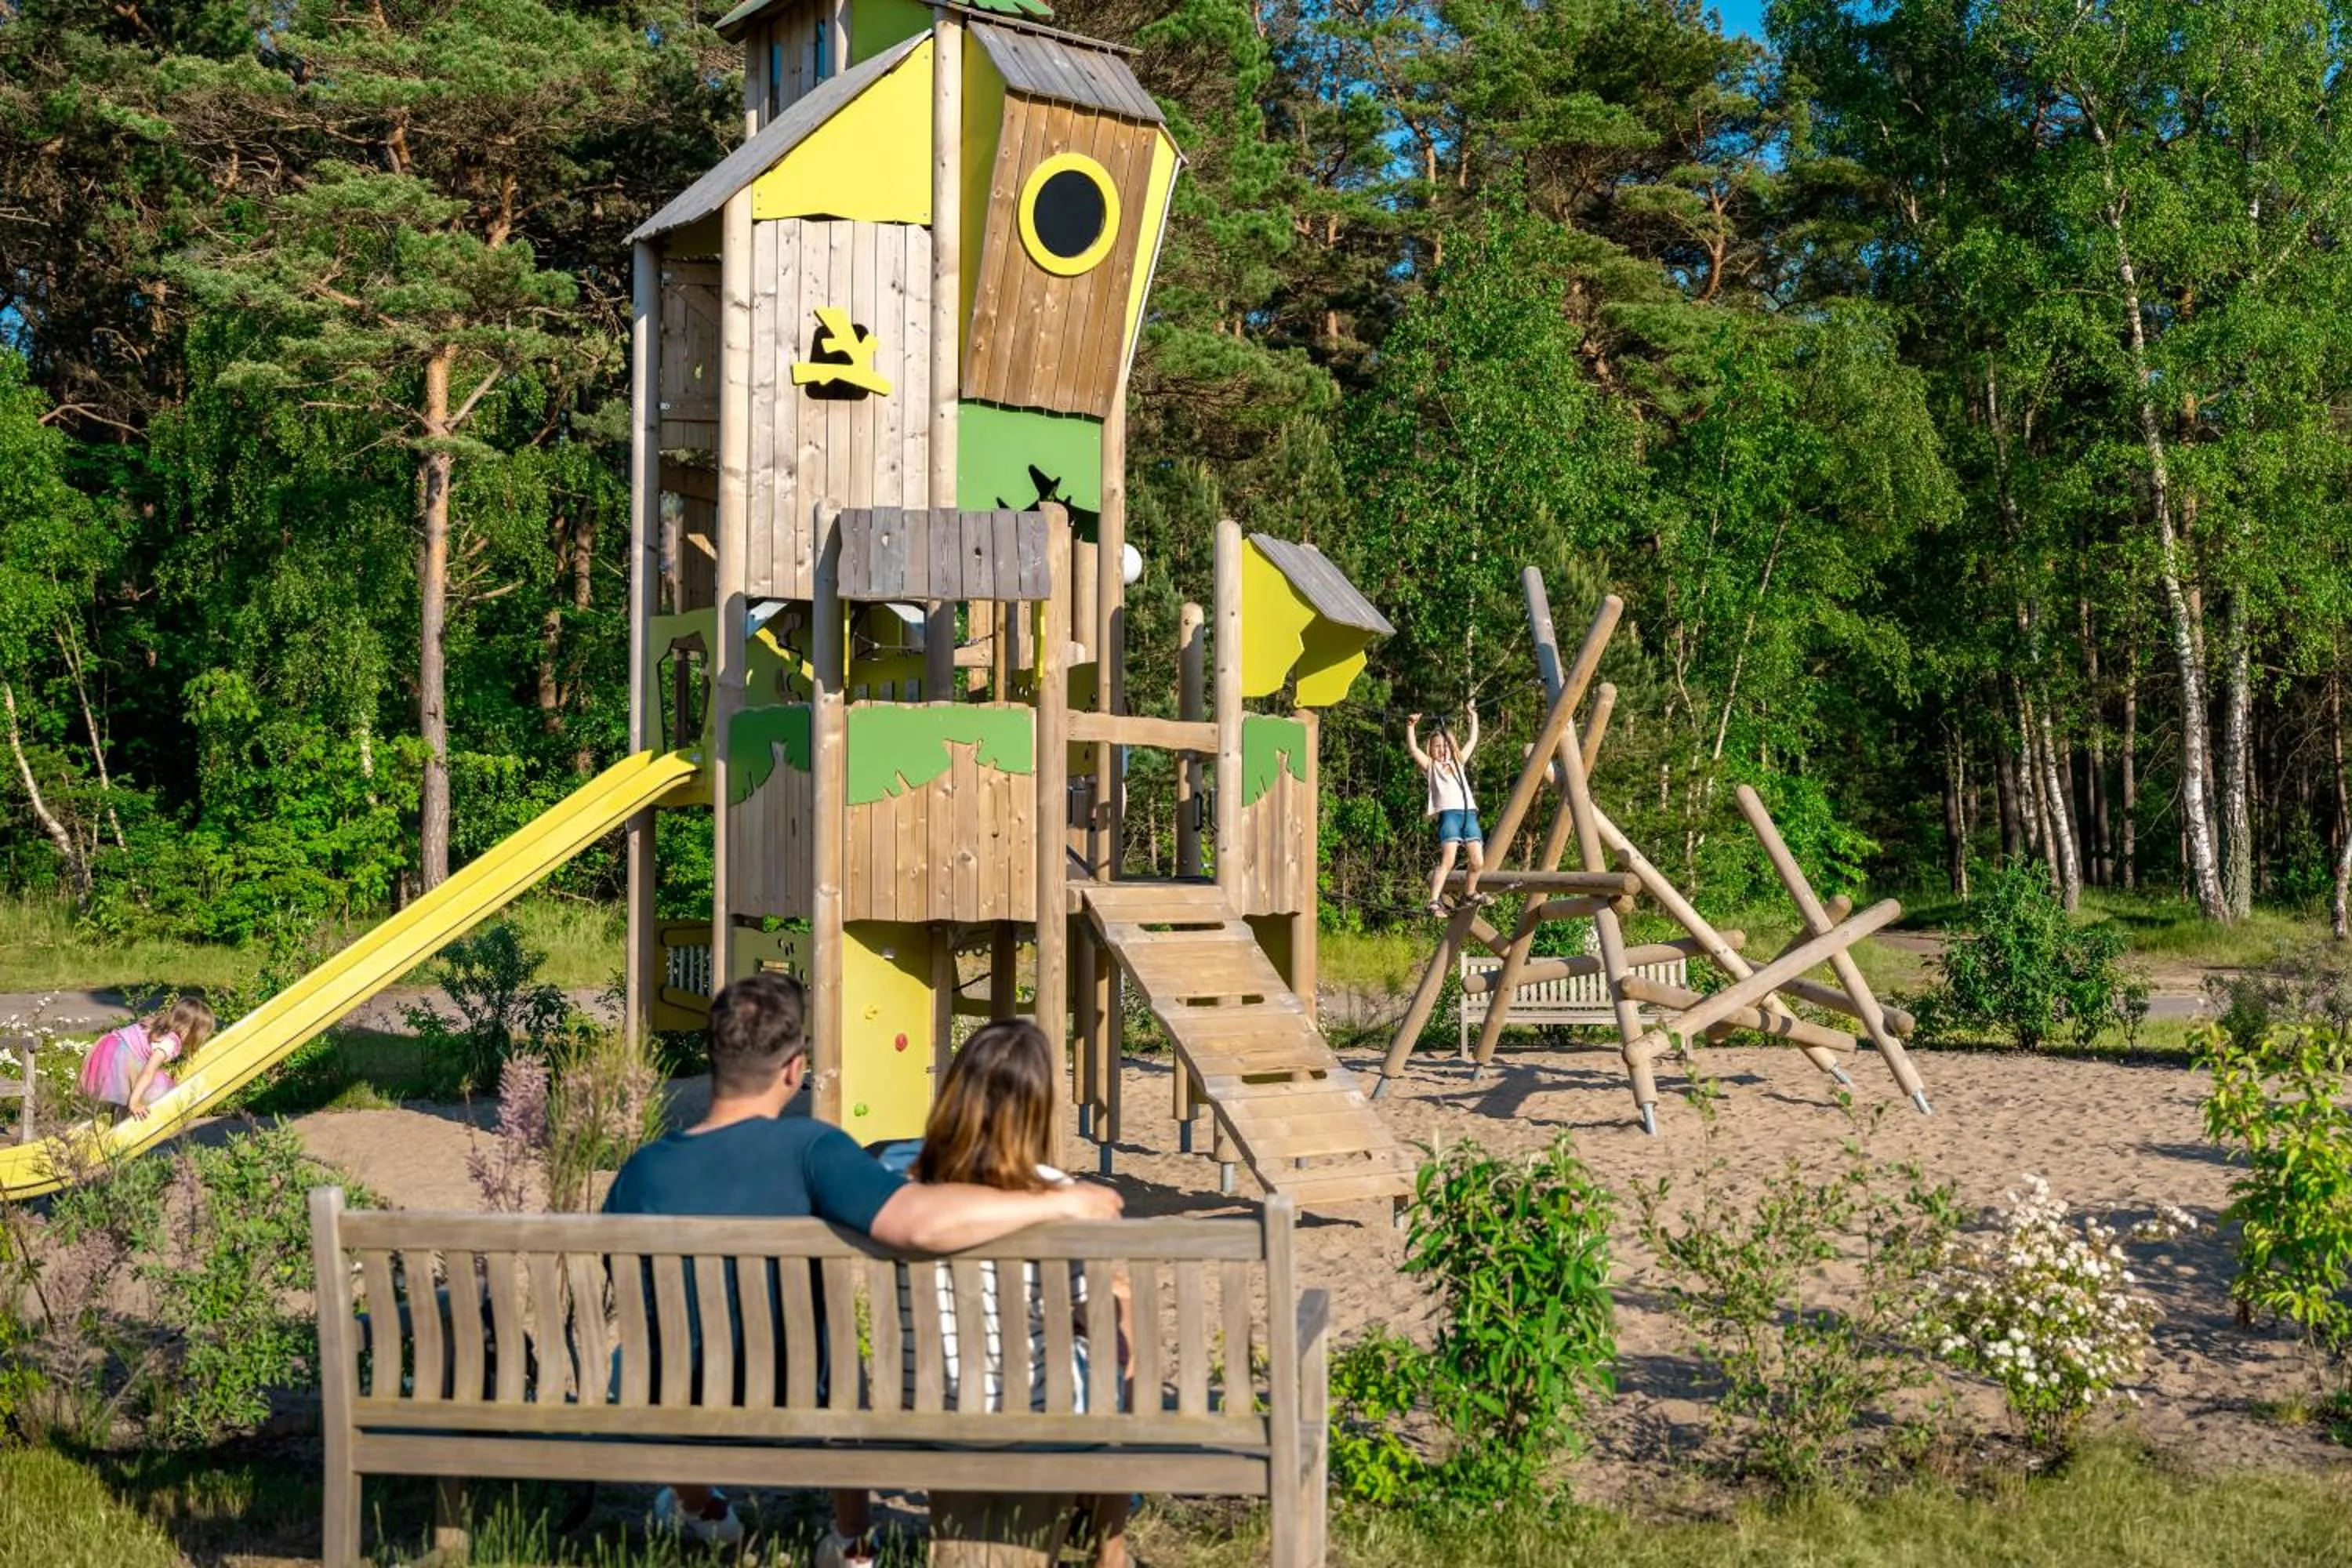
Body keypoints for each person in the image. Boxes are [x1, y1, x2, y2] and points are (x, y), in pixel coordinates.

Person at [601, 974, 1122, 1564]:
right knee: (839, 1357)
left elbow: (622, 1282)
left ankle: (701, 1506)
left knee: (664, 1349)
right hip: (794, 1394)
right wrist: (1057, 1199)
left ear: (712, 1054)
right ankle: (853, 1543)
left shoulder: (640, 1171)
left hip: (656, 1397)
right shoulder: (810, 1148)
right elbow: (920, 1222)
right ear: (795, 1068)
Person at [906, 1019, 1134, 1567]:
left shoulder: (908, 1197)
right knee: (1118, 1306)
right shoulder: (1058, 1193)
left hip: (930, 1410)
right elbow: (1090, 1310)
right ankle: (1111, 1541)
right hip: (1037, 1411)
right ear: (1038, 1106)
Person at [1406, 704, 1488, 916]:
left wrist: (1474, 717)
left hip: (1469, 814)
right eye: (1437, 747)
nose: (1441, 750)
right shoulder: (1431, 767)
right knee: (1449, 860)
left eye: (1445, 746)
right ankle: (1433, 901)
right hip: (1449, 815)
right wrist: (1411, 727)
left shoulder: (1459, 762)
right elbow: (1413, 749)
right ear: (1431, 750)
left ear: (1452, 747)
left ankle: (1470, 892)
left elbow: (1472, 740)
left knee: (1478, 861)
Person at [79, 997, 215, 1120]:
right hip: (122, 1056)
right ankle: (129, 1110)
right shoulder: (170, 1042)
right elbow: (149, 1071)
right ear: (188, 1030)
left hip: (109, 1048)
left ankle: (119, 1118)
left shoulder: (161, 1026)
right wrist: (135, 1102)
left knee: (130, 1091)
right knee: (159, 1088)